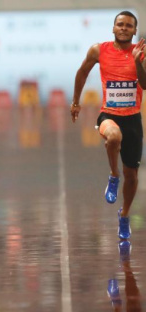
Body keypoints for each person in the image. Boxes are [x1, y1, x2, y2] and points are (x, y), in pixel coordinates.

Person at [71, 11, 146, 239]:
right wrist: (76, 102)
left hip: (133, 119)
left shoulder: (141, 54)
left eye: (129, 26)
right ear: (113, 28)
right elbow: (82, 72)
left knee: (132, 176)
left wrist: (136, 61)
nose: (124, 28)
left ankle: (124, 215)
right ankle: (113, 175)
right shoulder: (98, 50)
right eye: (120, 24)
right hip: (108, 115)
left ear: (134, 31)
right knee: (113, 137)